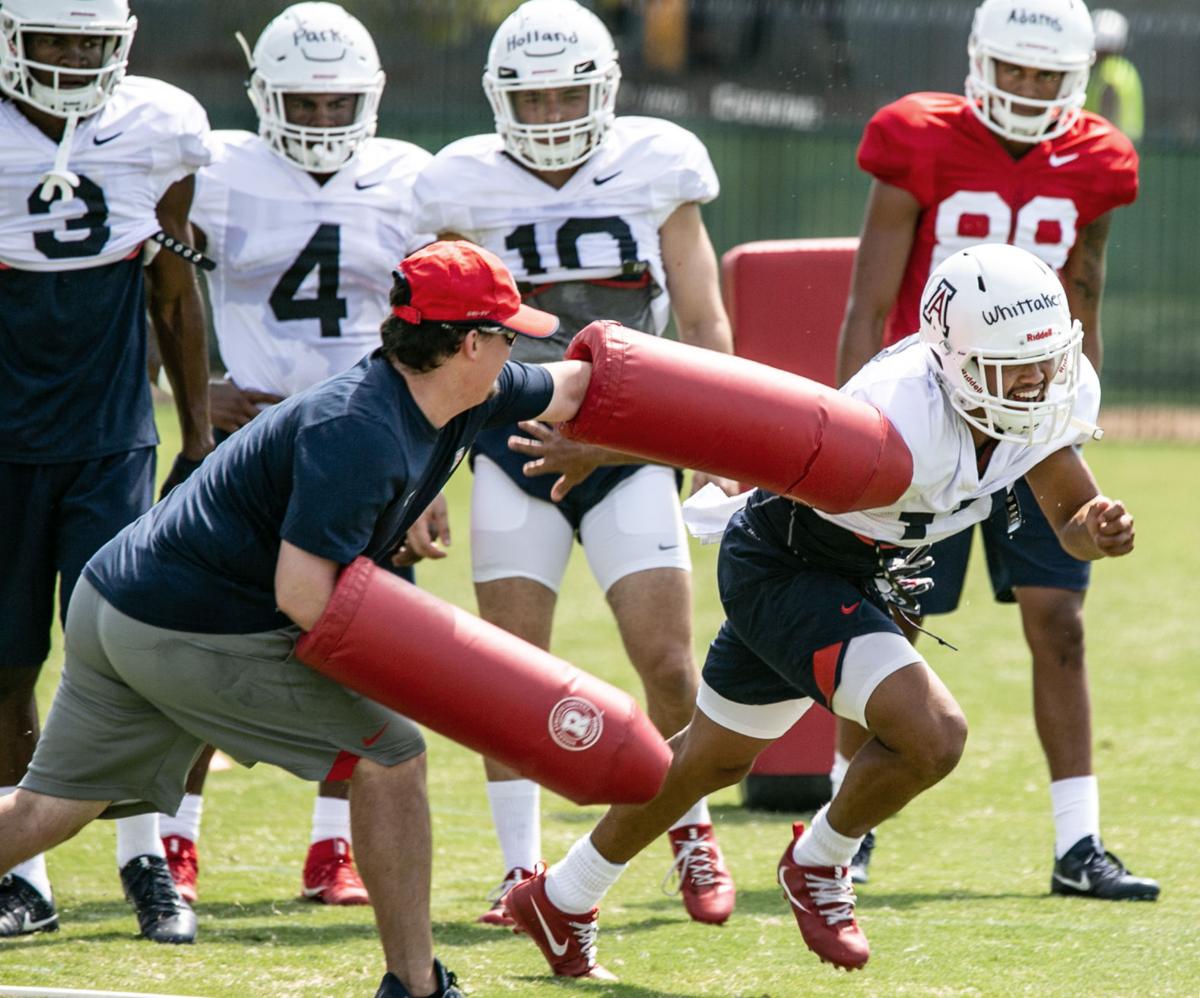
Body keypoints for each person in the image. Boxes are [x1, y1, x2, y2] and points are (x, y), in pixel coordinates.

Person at [505, 243, 1146, 978]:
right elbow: (741, 432)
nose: (1036, 380)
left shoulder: (1046, 392)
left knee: (708, 761)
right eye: (1012, 365)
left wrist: (1094, 532)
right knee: (933, 735)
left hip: (854, 565)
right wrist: (604, 444)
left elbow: (1068, 515)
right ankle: (819, 864)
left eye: (1045, 359)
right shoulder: (896, 410)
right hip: (787, 563)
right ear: (955, 361)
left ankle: (559, 898)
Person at [0, 240, 591, 998]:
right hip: (187, 626)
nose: (516, 346)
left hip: (117, 598)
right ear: (470, 343)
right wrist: (437, 668)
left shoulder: (458, 388)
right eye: (508, 332)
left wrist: (688, 415)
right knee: (393, 755)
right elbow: (304, 596)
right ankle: (416, 986)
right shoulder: (359, 431)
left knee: (52, 807)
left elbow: (574, 384)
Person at [413, 0, 738, 929]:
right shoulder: (461, 180)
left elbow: (704, 319)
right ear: (498, 96)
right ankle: (521, 870)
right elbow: (437, 347)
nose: (552, 111)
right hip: (511, 445)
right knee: (513, 674)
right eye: (533, 93)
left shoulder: (657, 162)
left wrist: (718, 439)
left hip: (633, 444)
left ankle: (692, 834)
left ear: (604, 90)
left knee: (669, 663)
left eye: (568, 92)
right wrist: (425, 478)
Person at [833, 0, 1156, 900]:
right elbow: (870, 299)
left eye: (1045, 75)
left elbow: (1084, 287)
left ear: (1077, 79)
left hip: (1035, 417)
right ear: (980, 62)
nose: (1025, 89)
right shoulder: (917, 136)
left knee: (1060, 622)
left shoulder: (1099, 159)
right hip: (929, 419)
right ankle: (842, 829)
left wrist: (1078, 418)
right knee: (882, 625)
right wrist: (855, 435)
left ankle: (1079, 844)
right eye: (1011, 70)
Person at [156, 0, 440, 911]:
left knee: (366, 657)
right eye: (303, 102)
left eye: (337, 102)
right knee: (200, 647)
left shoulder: (413, 179)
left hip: (366, 449)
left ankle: (334, 851)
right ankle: (174, 843)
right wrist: (189, 396)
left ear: (373, 97)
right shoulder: (217, 168)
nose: (321, 118)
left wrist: (427, 466)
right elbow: (152, 284)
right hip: (249, 443)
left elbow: (435, 338)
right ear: (262, 94)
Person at [0, 0, 212, 943]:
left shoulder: (154, 129)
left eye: (94, 39)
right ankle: (24, 877)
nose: (78, 56)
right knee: (7, 665)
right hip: (4, 440)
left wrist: (198, 435)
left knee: (124, 657)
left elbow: (174, 288)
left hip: (110, 433)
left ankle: (145, 861)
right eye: (57, 38)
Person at [1085, 9, 1143, 144]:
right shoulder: (1125, 69)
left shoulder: (1107, 74)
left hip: (1107, 144)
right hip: (1126, 142)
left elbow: (1107, 117)